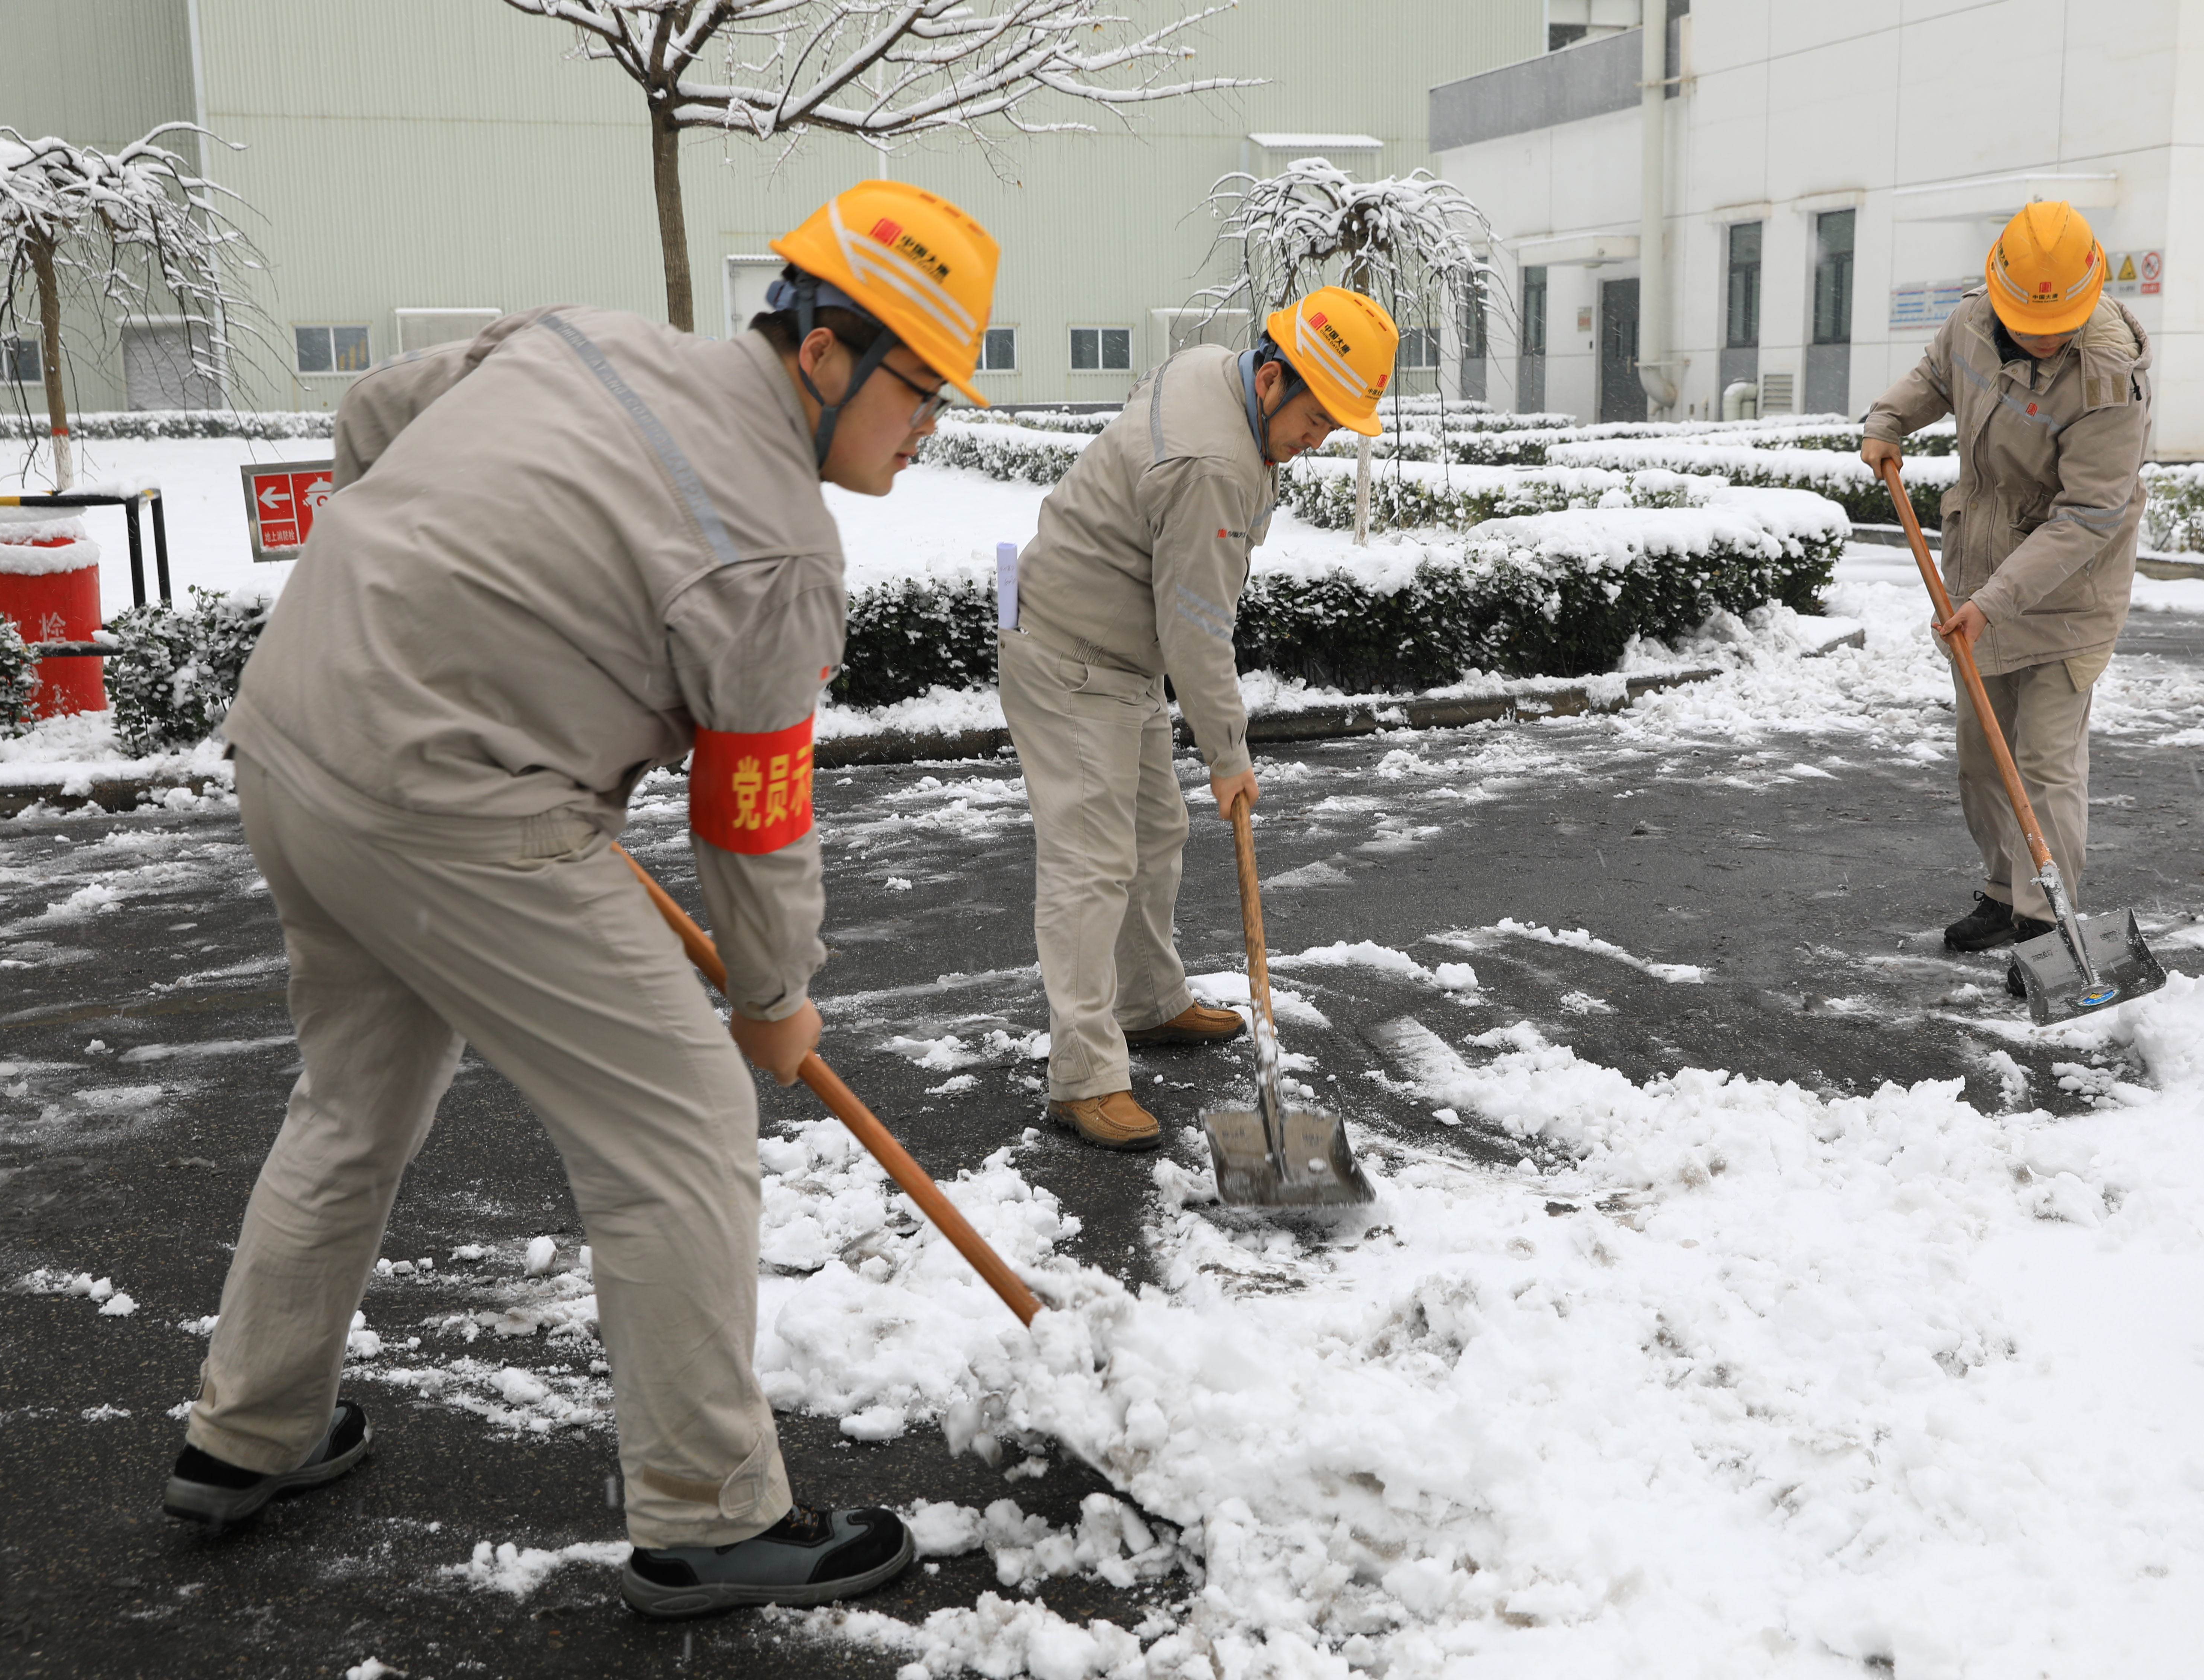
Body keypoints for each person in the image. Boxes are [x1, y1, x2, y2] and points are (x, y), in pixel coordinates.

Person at [162, 181, 998, 1621]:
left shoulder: (583, 338)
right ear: (823, 355)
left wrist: (433, 615)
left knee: (353, 1104)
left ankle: (248, 1434)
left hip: (295, 737)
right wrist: (772, 1004)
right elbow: (752, 821)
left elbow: (373, 420)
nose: (933, 427)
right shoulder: (779, 550)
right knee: (679, 1123)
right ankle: (714, 1521)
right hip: (456, 803)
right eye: (922, 389)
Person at [1002, 287, 1398, 1150]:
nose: (1317, 441)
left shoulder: (1210, 369)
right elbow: (1197, 627)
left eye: (1335, 426)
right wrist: (1229, 753)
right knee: (1091, 860)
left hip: (1116, 646)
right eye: (1317, 418)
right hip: (1073, 656)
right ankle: (1084, 1076)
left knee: (1154, 833)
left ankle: (1148, 1002)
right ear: (1271, 380)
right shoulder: (1215, 464)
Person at [1860, 200, 2153, 954]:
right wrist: (1890, 420)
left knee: (2045, 762)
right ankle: (2003, 891)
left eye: (2058, 323)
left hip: (2069, 591)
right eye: (2027, 319)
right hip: (1979, 569)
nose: (2044, 334)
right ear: (1999, 290)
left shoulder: (2107, 378)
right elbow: (1936, 374)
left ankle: (2046, 922)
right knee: (1982, 753)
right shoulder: (1971, 321)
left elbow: (2088, 516)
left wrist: (1991, 602)